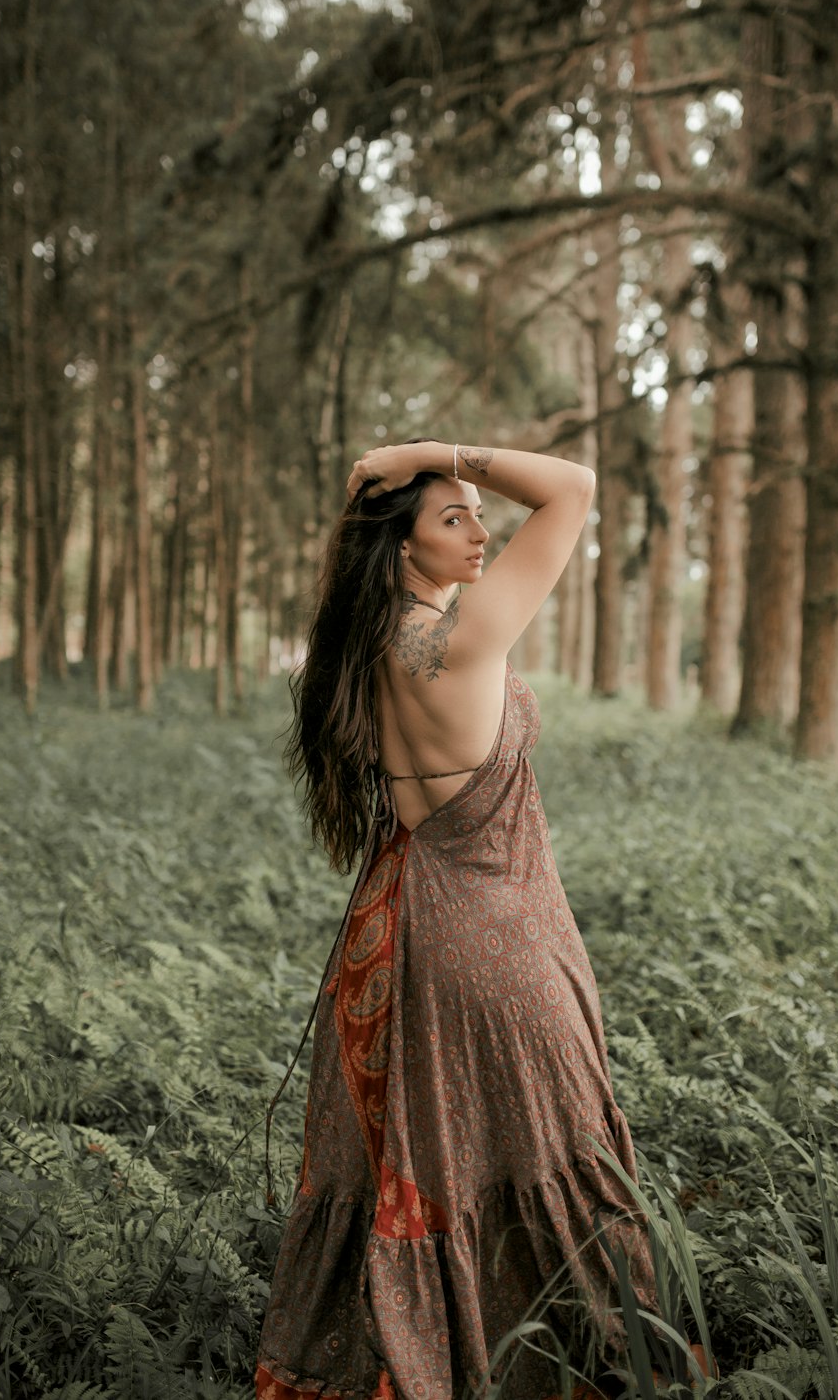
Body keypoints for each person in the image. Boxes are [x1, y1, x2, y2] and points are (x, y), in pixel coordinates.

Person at [255, 439, 657, 1400]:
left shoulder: (369, 642)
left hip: (393, 933)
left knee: (422, 1167)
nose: (482, 531)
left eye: (479, 512)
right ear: (402, 550)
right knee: (554, 1161)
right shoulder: (464, 635)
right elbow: (572, 486)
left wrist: (427, 477)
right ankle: (570, 1370)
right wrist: (426, 450)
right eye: (453, 517)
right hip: (491, 941)